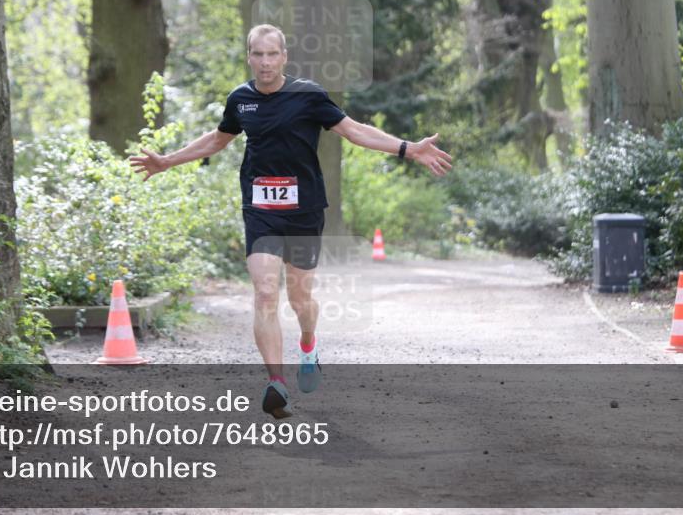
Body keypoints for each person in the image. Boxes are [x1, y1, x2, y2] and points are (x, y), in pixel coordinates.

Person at [130, 24, 452, 418]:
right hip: (260, 210)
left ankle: (308, 342)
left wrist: (407, 148)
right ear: (249, 57)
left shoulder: (309, 95)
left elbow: (354, 131)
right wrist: (166, 161)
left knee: (300, 299)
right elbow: (217, 140)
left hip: (304, 211)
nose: (265, 62)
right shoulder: (241, 100)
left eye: (272, 54)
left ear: (284, 57)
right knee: (266, 292)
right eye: (257, 55)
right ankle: (276, 383)